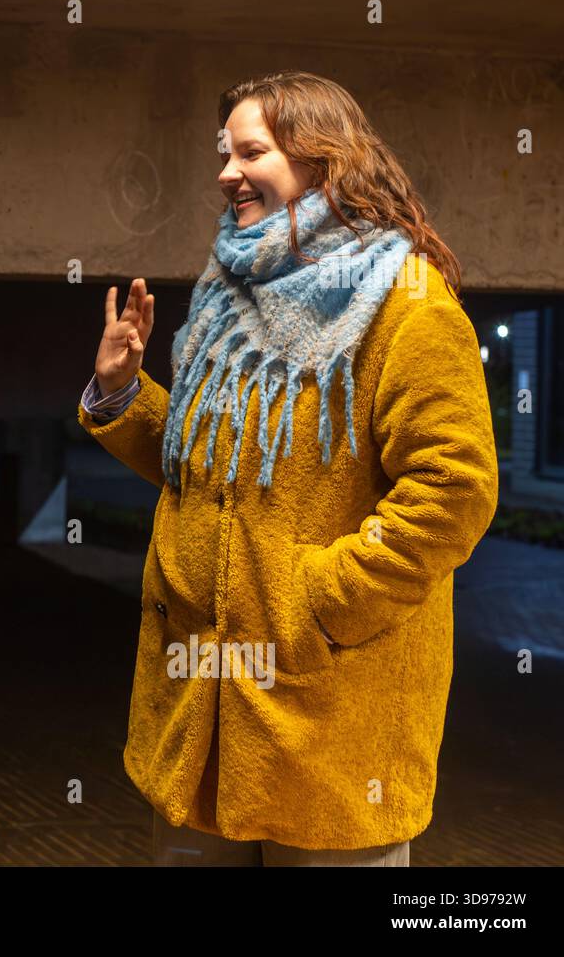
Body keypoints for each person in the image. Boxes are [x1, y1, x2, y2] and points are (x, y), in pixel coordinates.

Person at [79, 70, 498, 866]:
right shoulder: (234, 293)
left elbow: (455, 493)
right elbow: (209, 465)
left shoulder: (407, 303)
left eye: (251, 151)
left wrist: (320, 602)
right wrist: (120, 392)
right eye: (225, 153)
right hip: (197, 709)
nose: (225, 172)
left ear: (320, 159)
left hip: (328, 723)